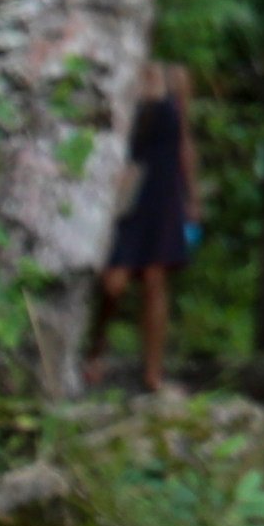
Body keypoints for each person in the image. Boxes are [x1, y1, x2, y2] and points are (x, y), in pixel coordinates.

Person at [89, 59, 202, 390]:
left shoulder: (176, 77)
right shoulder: (119, 73)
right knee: (114, 282)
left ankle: (153, 373)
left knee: (155, 278)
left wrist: (191, 196)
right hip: (127, 191)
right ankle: (96, 347)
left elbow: (184, 140)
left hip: (164, 191)